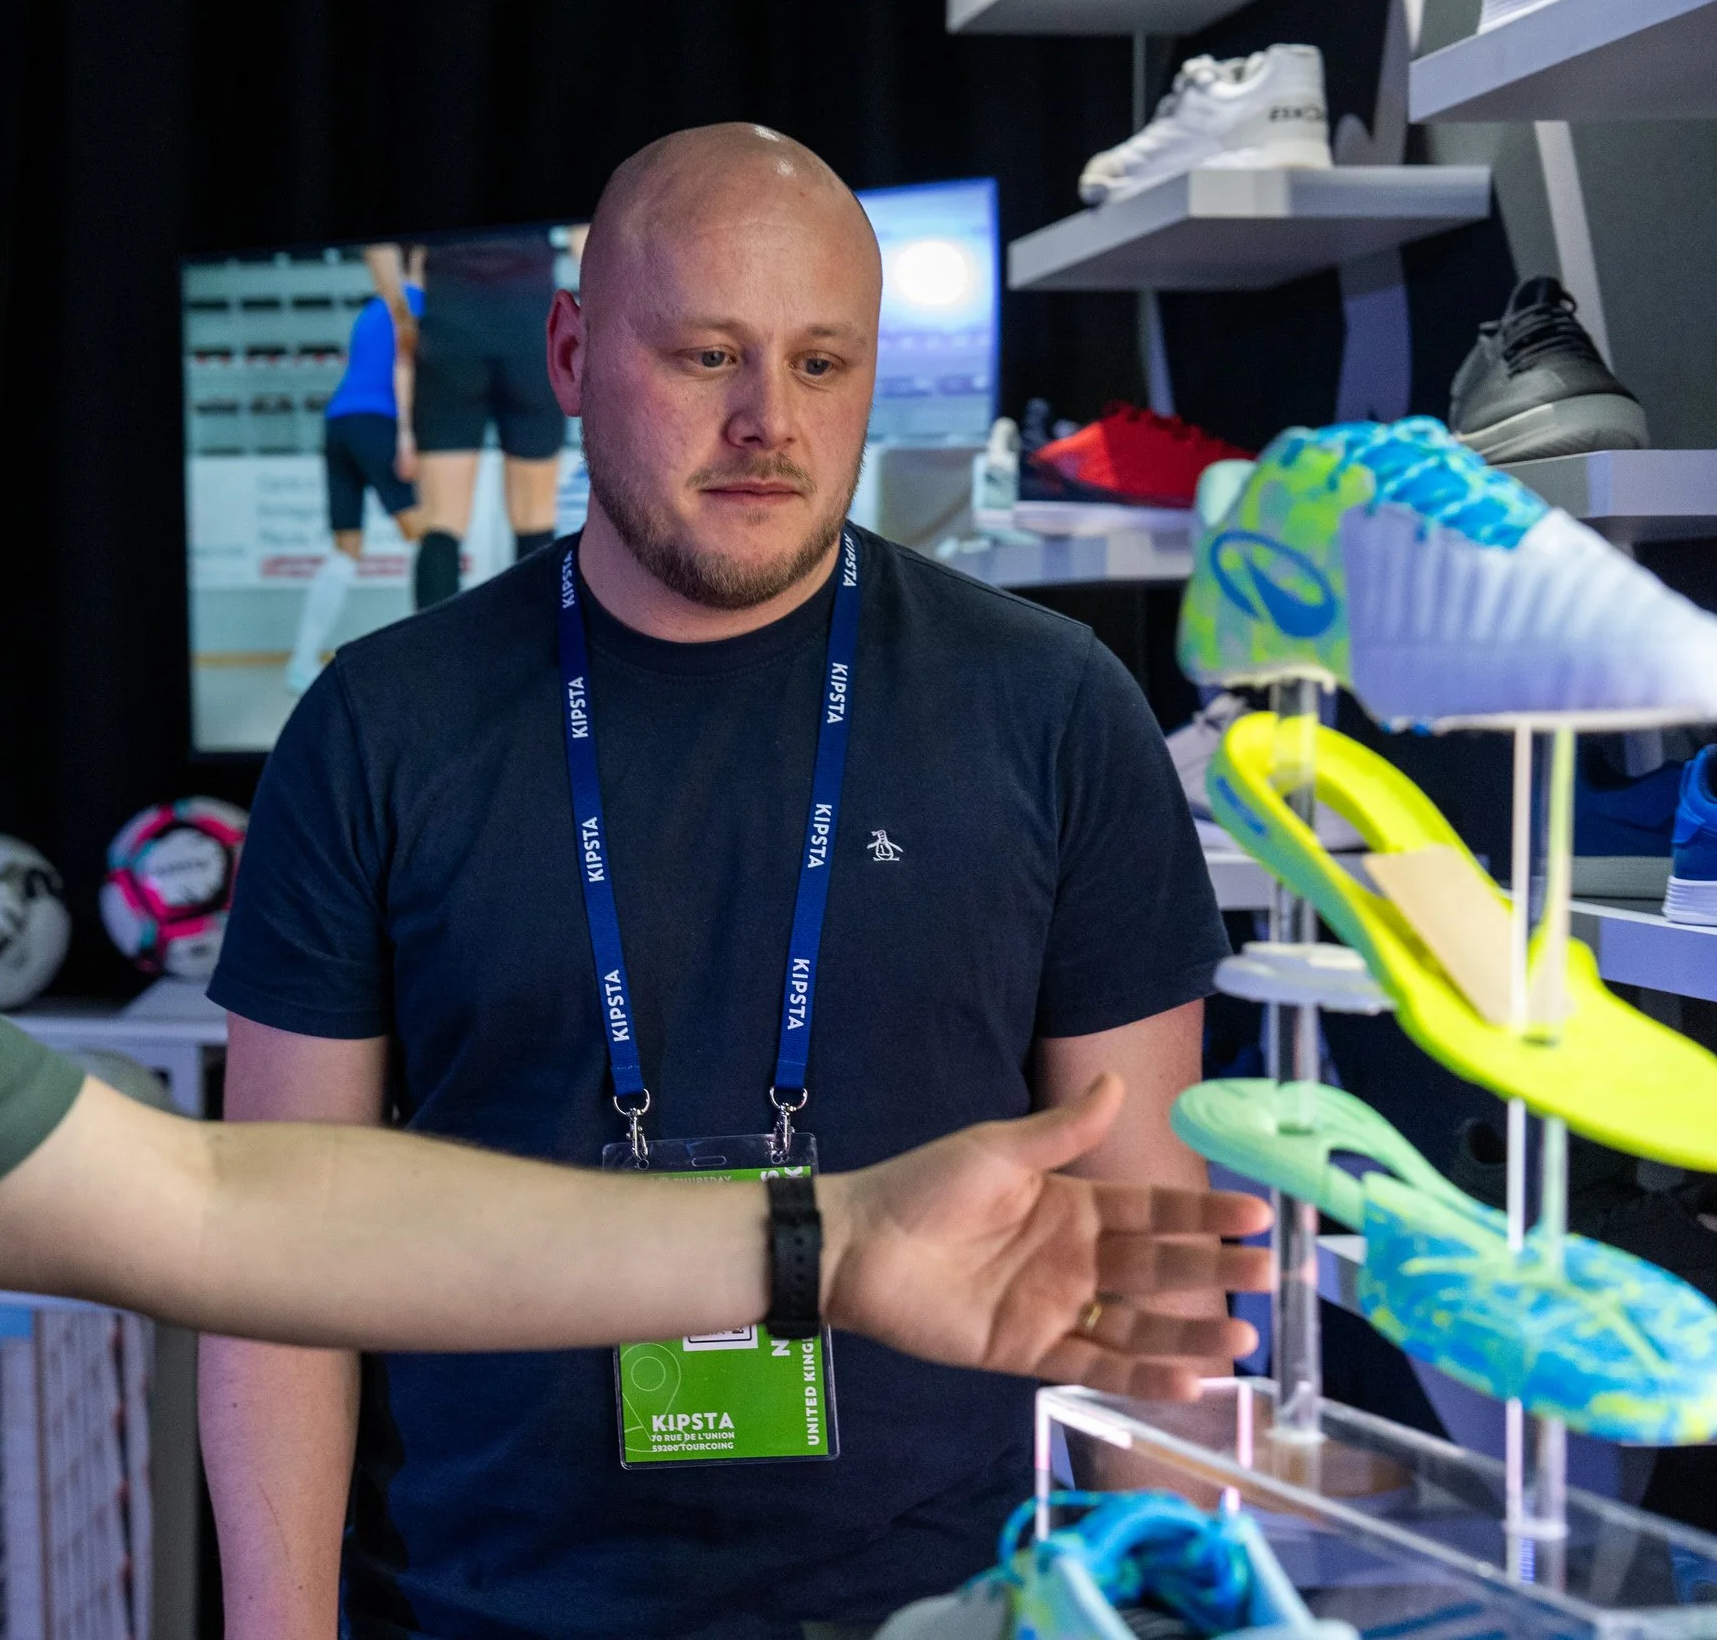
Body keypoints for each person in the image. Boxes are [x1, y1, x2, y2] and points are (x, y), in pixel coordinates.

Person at [0, 0, 1272, 1636]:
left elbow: (215, 1211)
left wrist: (829, 1252)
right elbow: (247, 1224)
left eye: (820, 361)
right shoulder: (387, 723)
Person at [205, 124, 1237, 1640]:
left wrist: (1199, 1600)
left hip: (952, 1604)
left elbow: (1141, 1222)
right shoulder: (377, 727)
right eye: (705, 356)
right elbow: (275, 1263)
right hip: (481, 1603)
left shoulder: (1054, 707)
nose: (770, 420)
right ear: (568, 350)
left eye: (824, 364)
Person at [407, 224, 583, 609]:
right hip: (528, 325)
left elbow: (392, 256)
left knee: (441, 521)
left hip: (450, 323)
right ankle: (538, 665)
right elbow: (583, 241)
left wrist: (401, 307)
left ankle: (433, 667)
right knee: (534, 516)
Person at [288, 243, 426, 696]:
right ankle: (436, 663)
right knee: (427, 539)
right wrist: (407, 438)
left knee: (345, 550)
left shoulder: (371, 309)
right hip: (377, 423)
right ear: (419, 259)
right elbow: (404, 372)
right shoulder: (418, 305)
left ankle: (300, 663)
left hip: (338, 424)